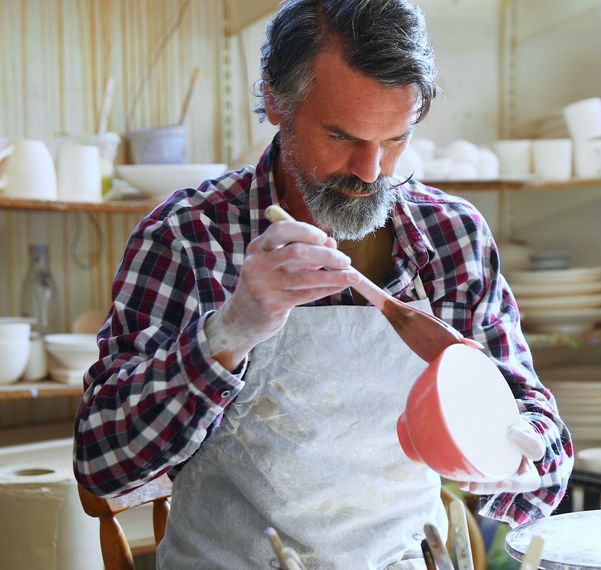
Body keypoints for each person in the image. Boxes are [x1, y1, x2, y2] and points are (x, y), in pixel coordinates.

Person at [73, 1, 573, 567]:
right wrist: (228, 334)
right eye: (341, 136)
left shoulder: (449, 238)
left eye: (394, 140)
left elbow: (539, 442)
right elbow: (102, 461)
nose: (370, 171)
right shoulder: (190, 237)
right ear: (276, 102)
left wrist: (518, 452)